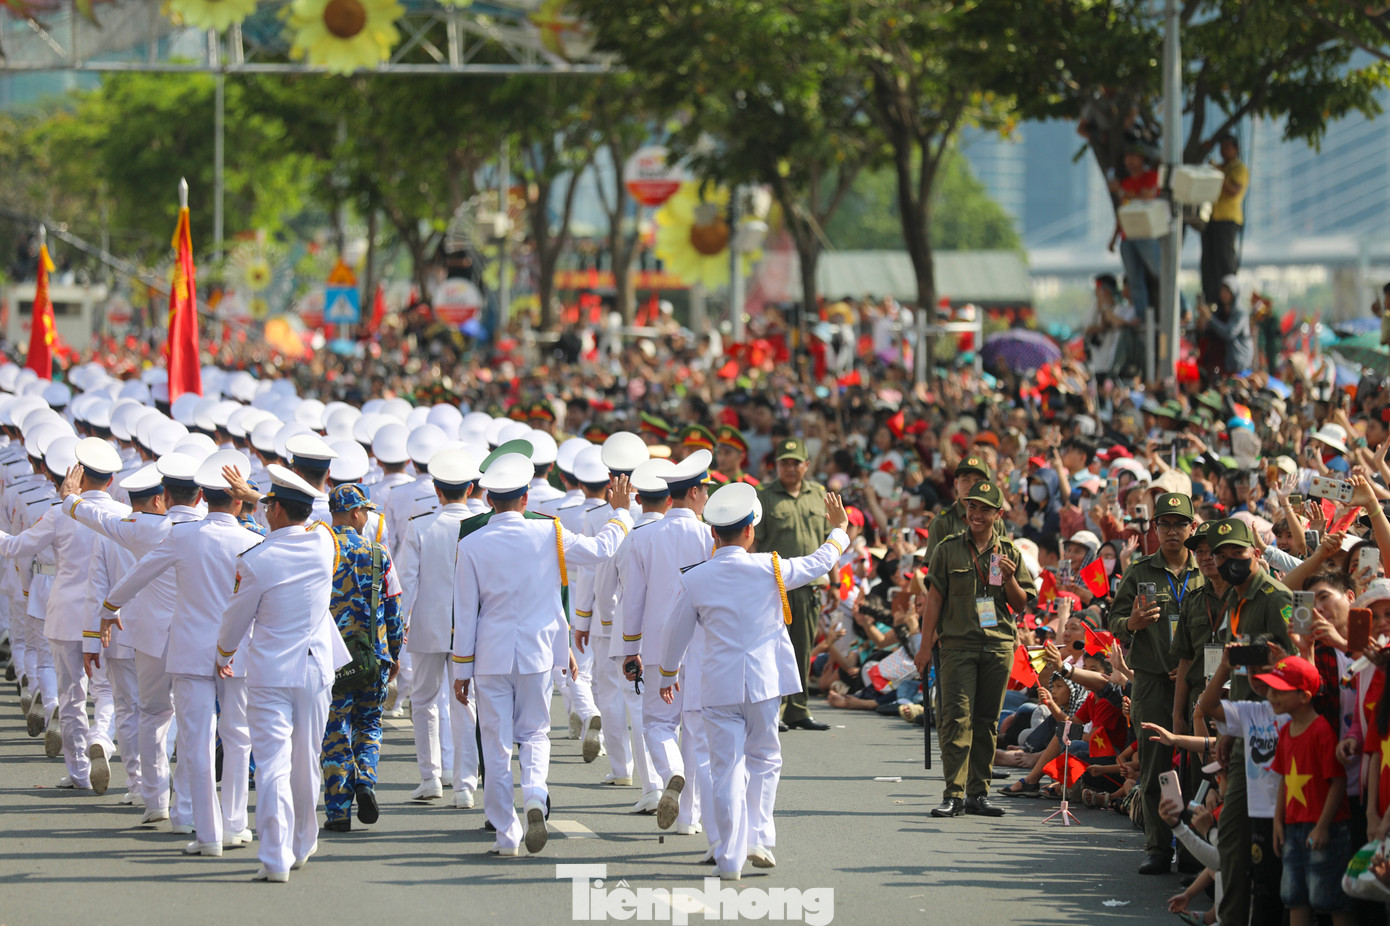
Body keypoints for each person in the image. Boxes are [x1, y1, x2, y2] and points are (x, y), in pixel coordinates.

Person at [658, 483, 849, 880]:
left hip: (717, 685)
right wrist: (839, 530)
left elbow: (675, 632)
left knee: (725, 767)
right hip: (762, 683)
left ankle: (729, 857)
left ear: (714, 533)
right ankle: (758, 838)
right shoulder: (771, 567)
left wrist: (667, 673)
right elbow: (820, 562)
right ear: (750, 531)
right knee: (764, 759)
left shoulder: (696, 577)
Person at [450, 452, 633, 856]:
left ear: (490, 498)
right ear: (525, 497)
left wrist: (461, 667)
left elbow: (465, 611)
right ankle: (534, 793)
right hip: (535, 652)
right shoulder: (548, 533)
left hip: (490, 654)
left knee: (496, 743)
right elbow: (602, 550)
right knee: (534, 732)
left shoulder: (472, 542)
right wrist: (620, 513)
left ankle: (505, 834)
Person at [100, 450, 263, 856]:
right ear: (239, 499)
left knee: (196, 738)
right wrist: (256, 501)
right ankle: (236, 823)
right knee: (239, 736)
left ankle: (201, 828)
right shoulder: (254, 539)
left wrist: (108, 607)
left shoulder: (184, 535)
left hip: (190, 648)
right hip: (238, 649)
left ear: (203, 498)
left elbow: (140, 573)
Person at [215, 464, 347, 883]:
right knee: (306, 759)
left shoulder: (256, 559)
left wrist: (223, 652)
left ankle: (274, 857)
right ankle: (303, 843)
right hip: (314, 668)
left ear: (273, 511)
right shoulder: (323, 541)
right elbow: (318, 509)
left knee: (272, 763)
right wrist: (262, 498)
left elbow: (235, 620)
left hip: (271, 671)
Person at [70, 455, 204, 828]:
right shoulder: (206, 527)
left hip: (143, 636)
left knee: (150, 713)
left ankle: (152, 796)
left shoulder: (142, 528)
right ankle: (186, 804)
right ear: (200, 496)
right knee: (193, 720)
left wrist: (70, 499)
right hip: (196, 637)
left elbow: (98, 519)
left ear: (164, 494)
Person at [915, 479, 1036, 818]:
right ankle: (953, 792)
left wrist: (1010, 578)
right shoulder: (949, 548)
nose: (976, 514)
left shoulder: (1009, 552)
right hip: (957, 644)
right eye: (971, 507)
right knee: (955, 718)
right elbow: (934, 599)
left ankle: (978, 793)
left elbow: (1021, 603)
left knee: (985, 721)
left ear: (998, 514)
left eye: (984, 508)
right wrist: (925, 647)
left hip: (997, 645)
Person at [621, 449, 719, 843]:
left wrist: (631, 648)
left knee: (658, 724)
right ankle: (688, 819)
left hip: (659, 642)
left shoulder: (643, 535)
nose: (709, 497)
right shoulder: (710, 535)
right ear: (694, 493)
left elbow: (634, 599)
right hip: (701, 642)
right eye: (706, 490)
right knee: (695, 730)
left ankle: (668, 773)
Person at [1107, 491, 1201, 874]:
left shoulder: (1205, 570)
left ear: (1192, 528)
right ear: (1155, 528)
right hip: (1149, 681)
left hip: (1193, 684)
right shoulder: (1140, 570)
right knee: (1154, 765)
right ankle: (1158, 847)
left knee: (1195, 768)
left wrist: (1194, 670)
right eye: (1165, 524)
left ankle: (1194, 850)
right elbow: (1114, 622)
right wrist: (1132, 624)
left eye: (1180, 524)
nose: (1172, 531)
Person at [1209, 517, 1295, 926]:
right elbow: (1235, 669)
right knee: (1234, 838)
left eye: (1238, 554)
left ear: (1256, 554)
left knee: (1262, 841)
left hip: (1277, 731)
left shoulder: (1275, 597)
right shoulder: (1235, 598)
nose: (1230, 563)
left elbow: (1296, 662)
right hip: (1246, 726)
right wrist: (1229, 731)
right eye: (1221, 556)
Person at [397, 448, 482, 806]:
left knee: (424, 701)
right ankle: (464, 784)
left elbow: (405, 580)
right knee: (465, 702)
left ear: (437, 490)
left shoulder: (420, 526)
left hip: (428, 626)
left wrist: (398, 623)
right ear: (471, 488)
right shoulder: (482, 524)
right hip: (469, 627)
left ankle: (431, 777)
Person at [319, 484, 404, 832]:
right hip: (373, 657)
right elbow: (393, 605)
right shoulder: (378, 552)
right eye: (365, 511)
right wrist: (394, 653)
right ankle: (365, 781)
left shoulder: (319, 547)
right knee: (368, 726)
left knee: (335, 730)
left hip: (332, 657)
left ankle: (338, 812)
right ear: (355, 512)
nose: (368, 517)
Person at [1263, 655, 1355, 926]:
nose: (1271, 696)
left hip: (1326, 828)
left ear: (1304, 696)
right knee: (1294, 896)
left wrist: (1323, 826)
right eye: (1270, 689)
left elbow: (1337, 783)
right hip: (1294, 828)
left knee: (1332, 898)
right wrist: (1279, 821)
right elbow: (1283, 779)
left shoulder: (1322, 732)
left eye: (1279, 691)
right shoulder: (1287, 730)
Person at [754, 438, 831, 732]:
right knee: (774, 648)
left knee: (803, 648)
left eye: (795, 462)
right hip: (776, 585)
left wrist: (834, 584)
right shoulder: (765, 496)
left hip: (810, 584)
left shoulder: (819, 495)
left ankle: (798, 709)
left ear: (806, 465)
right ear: (777, 466)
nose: (789, 467)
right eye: (784, 462)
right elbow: (755, 542)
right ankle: (777, 708)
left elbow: (829, 540)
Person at [1200, 133, 1249, 305]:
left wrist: (1218, 173)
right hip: (1211, 219)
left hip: (1228, 220)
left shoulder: (1239, 169)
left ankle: (1229, 298)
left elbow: (1233, 189)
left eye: (1227, 147)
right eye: (1221, 148)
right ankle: (1212, 299)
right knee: (1209, 262)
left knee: (1225, 261)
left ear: (1236, 149)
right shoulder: (1219, 167)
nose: (1223, 151)